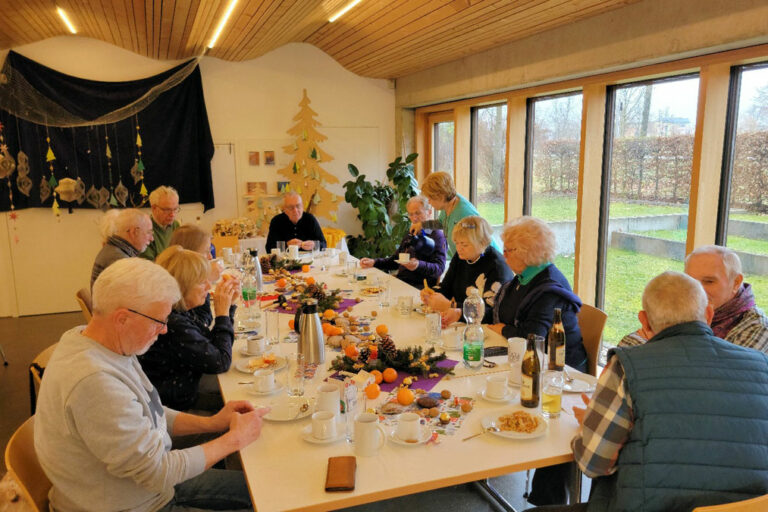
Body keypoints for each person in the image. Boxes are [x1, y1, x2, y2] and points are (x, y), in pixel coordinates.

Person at [34, 258, 268, 512]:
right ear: (122, 319)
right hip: (135, 504)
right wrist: (234, 439)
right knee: (269, 502)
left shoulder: (99, 340)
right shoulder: (95, 382)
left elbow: (149, 409)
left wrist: (213, 423)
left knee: (266, 490)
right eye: (159, 320)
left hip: (145, 488)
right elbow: (157, 472)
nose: (164, 330)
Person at [527, 271, 768, 512]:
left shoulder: (627, 366)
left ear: (643, 320)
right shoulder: (761, 364)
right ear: (709, 313)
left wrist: (591, 424)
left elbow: (592, 464)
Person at [139, 246, 240, 412]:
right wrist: (222, 314)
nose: (209, 286)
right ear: (181, 287)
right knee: (243, 398)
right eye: (201, 282)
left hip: (188, 382)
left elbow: (209, 344)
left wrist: (228, 308)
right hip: (180, 404)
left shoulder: (179, 310)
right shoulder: (172, 323)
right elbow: (220, 361)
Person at [619, 244, 768, 353]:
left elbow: (712, 375)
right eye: (690, 281)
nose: (697, 290)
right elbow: (628, 345)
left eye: (709, 281)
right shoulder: (686, 305)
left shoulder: (757, 328)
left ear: (735, 282)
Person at [488, 217, 586, 371]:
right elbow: (501, 314)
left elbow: (532, 338)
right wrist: (462, 312)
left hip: (560, 370)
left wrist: (503, 330)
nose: (504, 255)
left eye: (508, 250)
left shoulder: (549, 290)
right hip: (526, 359)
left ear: (527, 252)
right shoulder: (523, 277)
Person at [421, 215, 512, 318]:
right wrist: (432, 294)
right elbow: (446, 287)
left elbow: (491, 312)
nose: (459, 248)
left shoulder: (497, 267)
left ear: (481, 243)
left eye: (464, 245)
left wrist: (452, 306)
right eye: (457, 243)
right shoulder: (461, 257)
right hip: (460, 319)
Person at [359, 195, 447, 289]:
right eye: (411, 214)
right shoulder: (411, 233)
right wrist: (374, 262)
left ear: (429, 212)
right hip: (401, 282)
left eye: (418, 213)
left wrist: (418, 265)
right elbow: (395, 260)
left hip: (420, 287)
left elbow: (439, 268)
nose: (414, 218)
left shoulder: (437, 235)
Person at [414, 171, 500, 259]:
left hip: (487, 260)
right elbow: (442, 223)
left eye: (430, 198)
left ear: (441, 196)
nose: (429, 202)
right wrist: (422, 225)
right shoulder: (448, 203)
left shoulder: (464, 214)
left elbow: (477, 246)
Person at [169, 224, 221, 327]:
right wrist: (206, 279)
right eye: (206, 251)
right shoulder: (179, 287)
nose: (210, 257)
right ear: (189, 253)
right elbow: (203, 321)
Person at [90, 209, 154, 287]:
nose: (152, 238)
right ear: (134, 232)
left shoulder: (113, 248)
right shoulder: (120, 259)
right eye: (148, 232)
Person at [141, 185, 181, 260]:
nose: (172, 214)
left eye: (175, 209)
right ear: (154, 208)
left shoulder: (176, 225)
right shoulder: (145, 230)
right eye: (167, 210)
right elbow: (149, 263)